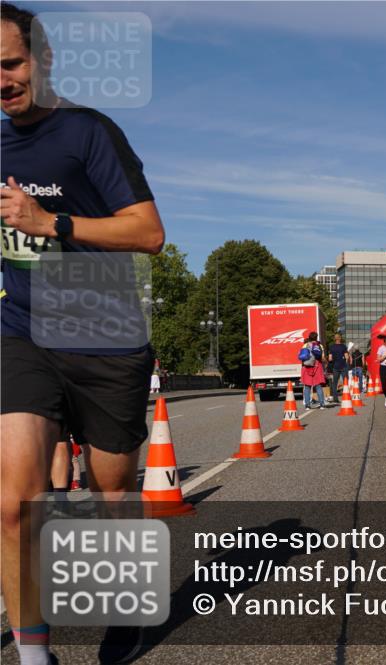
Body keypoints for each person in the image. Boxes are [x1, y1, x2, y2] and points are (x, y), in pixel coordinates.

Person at [0, 4, 165, 663]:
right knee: (14, 504)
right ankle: (35, 656)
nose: (0, 79)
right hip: (22, 332)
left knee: (112, 493)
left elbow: (149, 233)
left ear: (43, 59)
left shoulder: (89, 132)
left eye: (9, 63)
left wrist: (52, 223)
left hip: (105, 333)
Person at [299, 331, 325, 409]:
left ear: (309, 337)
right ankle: (322, 404)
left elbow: (301, 356)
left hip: (307, 367)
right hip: (317, 366)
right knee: (318, 386)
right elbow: (322, 357)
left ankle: (307, 405)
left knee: (307, 386)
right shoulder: (320, 345)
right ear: (316, 338)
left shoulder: (305, 345)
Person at [325, 333, 350, 402]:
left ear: (335, 339)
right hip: (343, 366)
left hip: (335, 367)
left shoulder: (331, 347)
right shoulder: (343, 346)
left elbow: (330, 358)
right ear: (340, 338)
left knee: (335, 383)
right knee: (345, 382)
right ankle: (346, 397)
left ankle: (335, 399)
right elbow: (346, 357)